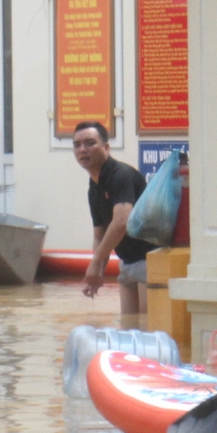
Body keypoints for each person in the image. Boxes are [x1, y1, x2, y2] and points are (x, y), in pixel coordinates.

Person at [72, 120, 154, 319]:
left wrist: (95, 262)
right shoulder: (94, 188)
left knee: (147, 329)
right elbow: (99, 235)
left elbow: (121, 222)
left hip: (149, 260)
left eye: (90, 143)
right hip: (127, 262)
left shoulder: (121, 175)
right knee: (128, 328)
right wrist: (97, 271)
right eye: (77, 145)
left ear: (106, 147)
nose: (82, 149)